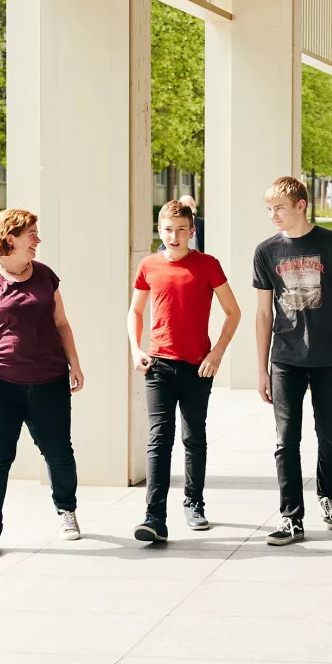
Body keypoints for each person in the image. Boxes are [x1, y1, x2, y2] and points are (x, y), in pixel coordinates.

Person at [254, 175, 332, 546]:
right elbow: (262, 314)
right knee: (285, 439)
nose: (273, 214)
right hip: (285, 359)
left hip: (328, 357)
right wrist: (261, 368)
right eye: (269, 209)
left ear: (301, 206)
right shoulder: (266, 251)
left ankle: (327, 494)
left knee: (331, 437)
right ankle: (291, 517)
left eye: (279, 208)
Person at [0, 208, 85, 557]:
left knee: (59, 453)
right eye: (32, 233)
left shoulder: (45, 276)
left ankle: (67, 511)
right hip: (0, 385)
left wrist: (74, 364)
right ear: (10, 238)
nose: (37, 240)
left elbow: (62, 324)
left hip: (50, 380)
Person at [128, 199, 241, 542]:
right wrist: (136, 348)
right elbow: (135, 311)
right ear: (158, 231)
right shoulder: (148, 265)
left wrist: (217, 354)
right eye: (167, 230)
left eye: (181, 230)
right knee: (159, 439)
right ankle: (154, 517)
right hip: (158, 365)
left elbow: (233, 312)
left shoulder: (207, 265)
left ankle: (194, 503)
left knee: (194, 437)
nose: (174, 236)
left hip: (197, 367)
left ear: (192, 232)